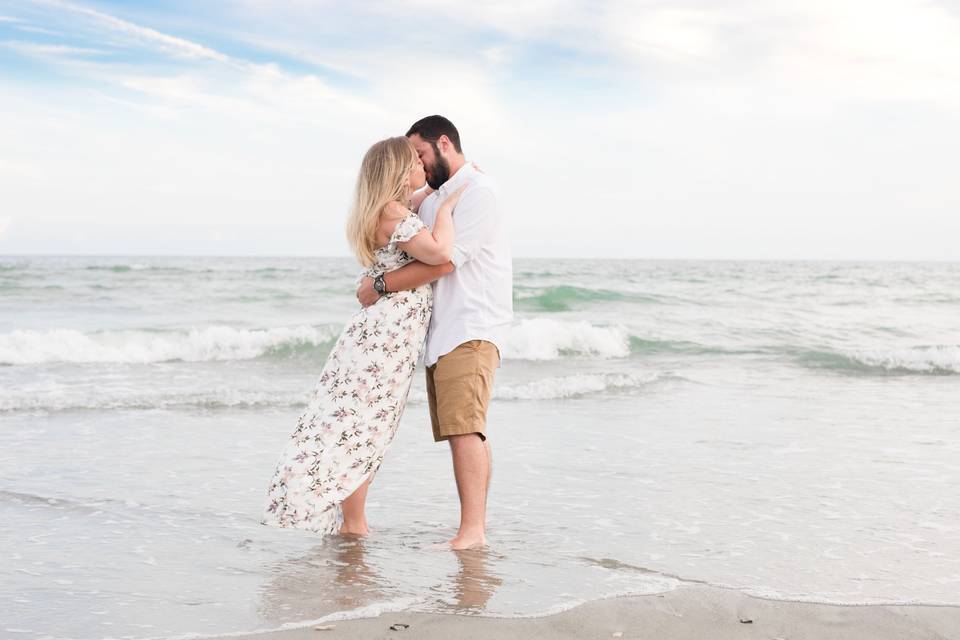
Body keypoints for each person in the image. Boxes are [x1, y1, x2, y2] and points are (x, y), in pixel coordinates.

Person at [261, 136, 466, 536]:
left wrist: (437, 189)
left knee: (363, 426)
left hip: (380, 337)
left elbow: (421, 196)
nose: (423, 168)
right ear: (398, 171)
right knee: (365, 426)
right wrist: (449, 206)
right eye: (416, 162)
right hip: (385, 339)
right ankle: (353, 524)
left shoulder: (386, 209)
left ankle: (353, 522)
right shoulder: (394, 213)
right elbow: (441, 255)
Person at [357, 115, 513, 549]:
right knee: (458, 429)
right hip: (440, 332)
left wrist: (379, 285)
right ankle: (470, 528)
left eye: (422, 155)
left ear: (444, 143)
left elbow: (445, 261)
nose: (420, 166)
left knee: (466, 427)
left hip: (472, 324)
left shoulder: (479, 192)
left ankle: (472, 532)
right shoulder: (436, 196)